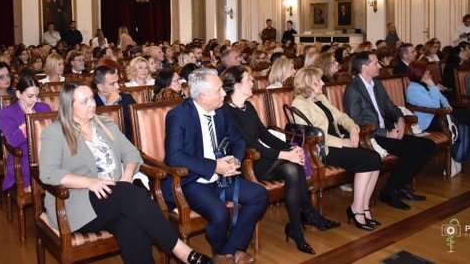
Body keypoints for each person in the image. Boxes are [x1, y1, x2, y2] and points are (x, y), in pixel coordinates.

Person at [38, 82, 214, 264]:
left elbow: (131, 153)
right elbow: (48, 173)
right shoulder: (55, 132)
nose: (92, 104)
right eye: (84, 101)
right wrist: (90, 182)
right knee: (125, 193)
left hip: (116, 198)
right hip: (75, 203)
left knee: (129, 226)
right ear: (69, 106)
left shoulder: (105, 124)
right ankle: (182, 252)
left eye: (92, 98)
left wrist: (127, 177)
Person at [222, 67, 339, 255]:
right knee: (292, 166)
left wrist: (290, 148)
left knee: (294, 167)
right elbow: (248, 145)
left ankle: (296, 226)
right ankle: (306, 216)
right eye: (249, 79)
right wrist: (284, 155)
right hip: (247, 161)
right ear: (237, 85)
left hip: (263, 156)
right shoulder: (226, 111)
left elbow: (265, 135)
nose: (253, 82)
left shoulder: (248, 106)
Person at [163, 68, 268, 264]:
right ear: (203, 96)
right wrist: (214, 167)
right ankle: (227, 252)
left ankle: (227, 253)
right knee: (220, 214)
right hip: (192, 180)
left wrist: (235, 160)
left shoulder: (222, 110)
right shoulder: (178, 116)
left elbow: (238, 140)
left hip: (222, 175)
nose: (224, 94)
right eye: (219, 90)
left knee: (259, 195)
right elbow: (174, 157)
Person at [343, 52, 435, 210]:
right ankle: (390, 191)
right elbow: (356, 122)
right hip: (370, 135)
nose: (380, 66)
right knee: (411, 148)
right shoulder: (353, 89)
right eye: (375, 63)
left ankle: (397, 186)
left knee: (428, 145)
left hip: (386, 130)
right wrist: (386, 133)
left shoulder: (377, 84)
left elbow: (391, 107)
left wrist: (400, 119)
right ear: (364, 67)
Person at [293, 67, 382, 230]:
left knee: (375, 158)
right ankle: (356, 209)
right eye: (318, 81)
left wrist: (353, 128)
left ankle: (363, 207)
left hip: (337, 144)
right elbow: (311, 134)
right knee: (368, 160)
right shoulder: (299, 103)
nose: (323, 83)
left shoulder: (320, 97)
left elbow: (341, 117)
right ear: (308, 84)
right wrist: (343, 142)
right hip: (321, 150)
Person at [406, 61, 470, 180]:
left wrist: (448, 107)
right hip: (431, 123)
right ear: (418, 73)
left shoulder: (425, 85)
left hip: (443, 117)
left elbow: (443, 99)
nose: (428, 73)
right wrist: (432, 85)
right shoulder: (413, 89)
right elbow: (434, 106)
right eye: (425, 71)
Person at [0, 76, 52, 191]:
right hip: (23, 159)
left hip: (47, 156)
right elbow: (13, 142)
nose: (34, 100)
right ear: (18, 94)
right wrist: (28, 121)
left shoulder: (44, 107)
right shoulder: (6, 113)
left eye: (37, 96)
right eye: (30, 96)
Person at [93, 66, 136, 139]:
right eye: (112, 84)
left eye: (117, 82)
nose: (117, 86)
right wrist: (109, 105)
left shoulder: (127, 98)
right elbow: (97, 131)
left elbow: (139, 125)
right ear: (100, 87)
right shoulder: (92, 103)